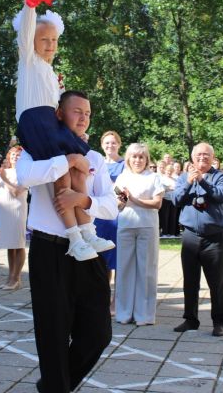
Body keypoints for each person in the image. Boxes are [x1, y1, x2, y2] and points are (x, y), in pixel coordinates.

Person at [15, 90, 117, 393]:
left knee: (98, 333)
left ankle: (53, 387)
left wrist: (83, 199)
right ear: (59, 113)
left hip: (88, 248)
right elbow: (24, 177)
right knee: (53, 333)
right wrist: (65, 161)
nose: (83, 118)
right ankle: (56, 387)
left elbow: (110, 205)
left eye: (87, 113)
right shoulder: (35, 148)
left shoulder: (95, 157)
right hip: (49, 250)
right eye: (77, 111)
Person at [13, 0, 112, 263]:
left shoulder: (50, 71)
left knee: (79, 169)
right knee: (61, 173)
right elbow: (28, 29)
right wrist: (31, 1)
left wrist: (75, 132)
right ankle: (73, 237)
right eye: (44, 39)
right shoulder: (28, 62)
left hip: (51, 122)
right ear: (31, 42)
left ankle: (86, 229)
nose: (50, 45)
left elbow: (63, 107)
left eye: (54, 40)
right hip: (35, 122)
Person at [172, 143, 223, 337]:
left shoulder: (220, 176)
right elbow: (176, 200)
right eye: (198, 155)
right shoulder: (183, 177)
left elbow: (221, 196)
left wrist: (203, 181)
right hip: (190, 235)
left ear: (212, 158)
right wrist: (190, 182)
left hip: (213, 237)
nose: (202, 158)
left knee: (217, 282)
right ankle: (190, 319)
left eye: (206, 155)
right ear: (192, 157)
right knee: (190, 281)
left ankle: (219, 322)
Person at [114, 143, 164, 326]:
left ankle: (144, 315)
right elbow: (118, 206)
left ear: (146, 159)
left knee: (146, 270)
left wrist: (134, 199)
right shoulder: (122, 177)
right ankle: (124, 312)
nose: (137, 160)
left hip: (147, 226)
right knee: (124, 269)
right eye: (134, 156)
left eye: (141, 157)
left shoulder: (154, 177)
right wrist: (122, 200)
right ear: (128, 158)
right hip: (126, 225)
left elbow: (157, 203)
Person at [94, 131, 125, 312]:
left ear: (119, 144)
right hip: (99, 217)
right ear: (102, 145)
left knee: (117, 260)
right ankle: (102, 298)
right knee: (101, 261)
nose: (110, 146)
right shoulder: (98, 164)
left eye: (113, 143)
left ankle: (116, 301)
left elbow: (125, 192)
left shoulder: (124, 166)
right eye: (107, 143)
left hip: (117, 217)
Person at [0, 146, 28, 290]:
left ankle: (16, 278)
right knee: (9, 245)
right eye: (13, 154)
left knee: (18, 244)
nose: (15, 157)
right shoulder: (4, 171)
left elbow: (17, 192)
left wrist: (4, 178)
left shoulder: (25, 172)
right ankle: (10, 277)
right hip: (5, 211)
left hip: (17, 210)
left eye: (18, 155)